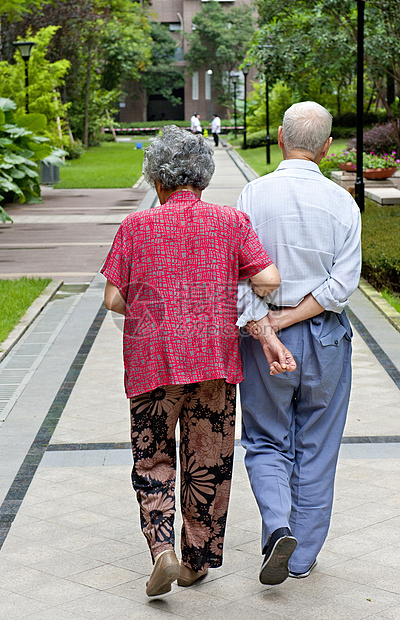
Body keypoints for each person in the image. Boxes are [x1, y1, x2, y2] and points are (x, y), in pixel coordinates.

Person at [101, 126, 295, 598]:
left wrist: (157, 305)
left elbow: (112, 299)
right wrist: (232, 294)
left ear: (157, 181)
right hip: (214, 363)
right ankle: (195, 562)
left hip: (152, 364)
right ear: (203, 180)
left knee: (153, 459)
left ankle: (161, 551)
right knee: (208, 462)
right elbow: (269, 278)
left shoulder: (135, 227)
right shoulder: (230, 222)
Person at [236, 101, 361, 586]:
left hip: (263, 336)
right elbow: (340, 286)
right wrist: (297, 316)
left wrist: (272, 322)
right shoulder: (342, 202)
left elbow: (241, 278)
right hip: (325, 338)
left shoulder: (251, 195)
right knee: (318, 443)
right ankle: (302, 556)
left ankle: (277, 527)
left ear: (283, 140)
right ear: (327, 148)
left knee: (266, 440)